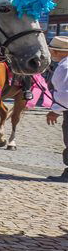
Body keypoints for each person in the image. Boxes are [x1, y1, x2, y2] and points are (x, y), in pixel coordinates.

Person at [47, 35, 68, 182]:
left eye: (53, 51)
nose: (51, 53)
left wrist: (55, 111)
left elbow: (65, 94)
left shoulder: (64, 67)